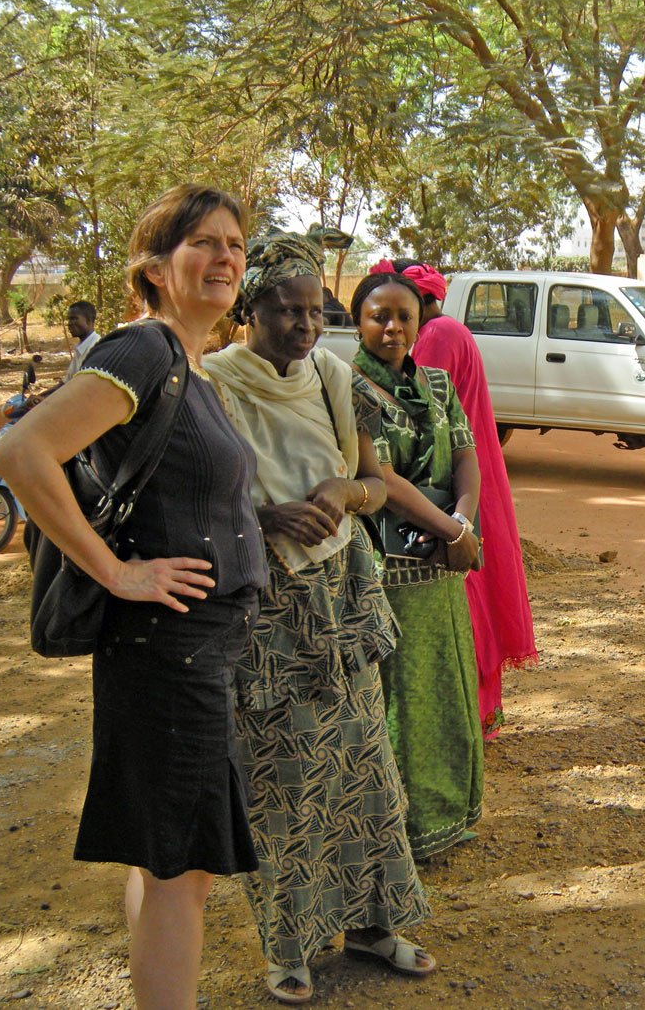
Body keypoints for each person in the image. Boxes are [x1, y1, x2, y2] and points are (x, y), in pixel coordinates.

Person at [0, 184, 268, 1010]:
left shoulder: (187, 365)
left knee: (165, 861)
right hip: (167, 651)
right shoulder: (144, 352)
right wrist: (117, 573)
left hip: (188, 651)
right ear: (153, 268)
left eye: (235, 245)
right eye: (202, 243)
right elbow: (22, 451)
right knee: (182, 870)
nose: (225, 257)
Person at [201, 231, 434, 1003]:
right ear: (249, 308)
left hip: (340, 593)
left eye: (313, 313)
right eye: (286, 311)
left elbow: (372, 481)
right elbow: (200, 498)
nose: (304, 327)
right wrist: (264, 515)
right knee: (281, 778)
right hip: (266, 605)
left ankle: (374, 926)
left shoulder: (332, 377)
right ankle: (288, 946)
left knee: (366, 765)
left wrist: (342, 495)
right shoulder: (212, 384)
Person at [349, 270, 484, 860]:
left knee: (443, 689)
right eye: (380, 315)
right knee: (396, 698)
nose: (393, 327)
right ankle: (400, 829)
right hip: (387, 569)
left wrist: (465, 523)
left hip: (440, 565)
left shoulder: (436, 381)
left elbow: (465, 454)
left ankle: (448, 815)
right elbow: (380, 477)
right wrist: (452, 528)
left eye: (405, 316)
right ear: (359, 321)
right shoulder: (347, 385)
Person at [370, 259, 536, 738]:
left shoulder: (440, 335)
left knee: (463, 593)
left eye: (401, 314)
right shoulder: (452, 329)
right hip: (464, 474)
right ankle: (478, 712)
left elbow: (422, 415)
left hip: (446, 480)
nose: (395, 327)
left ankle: (466, 713)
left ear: (418, 304)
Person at [64, 300, 101, 380]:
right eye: (69, 319)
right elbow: (66, 382)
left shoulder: (95, 347)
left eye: (74, 319)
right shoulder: (81, 347)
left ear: (89, 320)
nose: (69, 323)